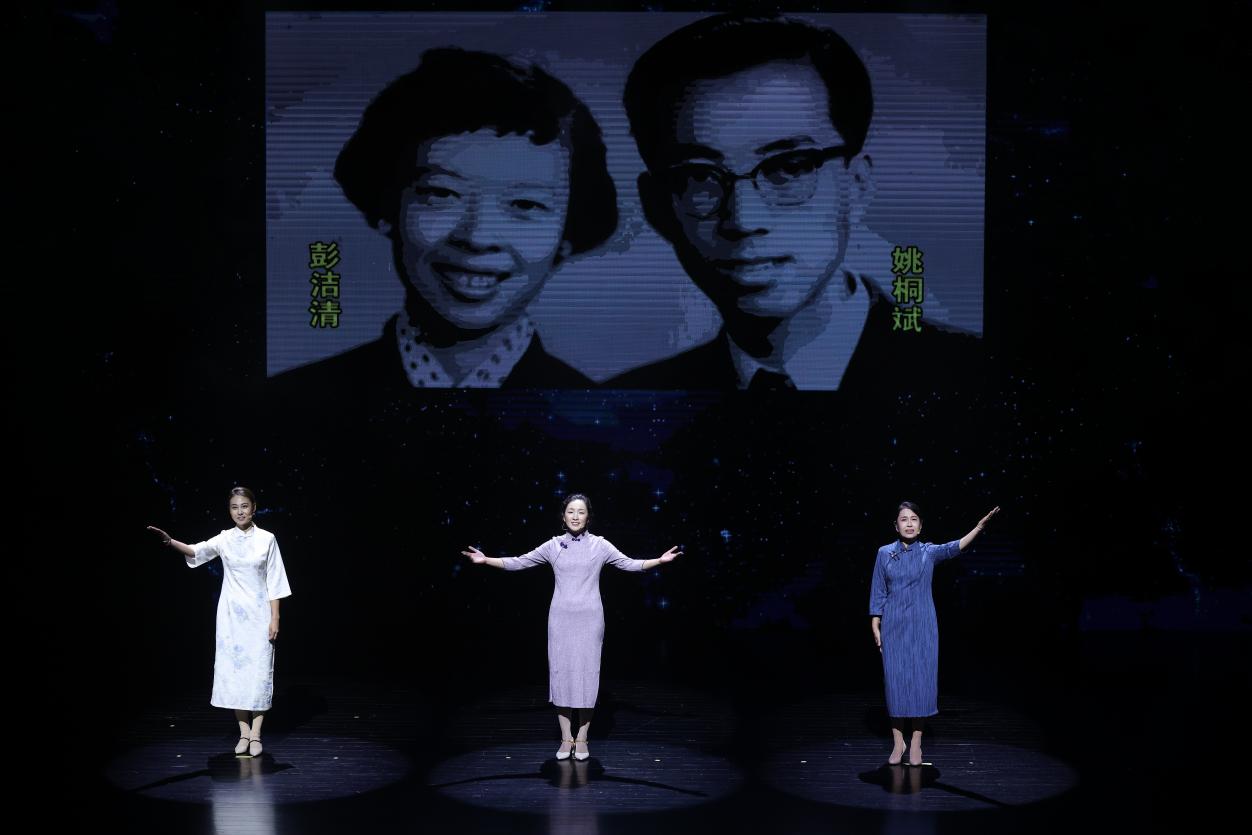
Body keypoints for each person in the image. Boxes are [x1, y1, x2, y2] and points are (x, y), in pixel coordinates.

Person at [608, 13, 978, 391]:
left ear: (857, 185)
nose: (743, 219)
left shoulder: (976, 378)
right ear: (656, 207)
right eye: (699, 177)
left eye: (788, 168)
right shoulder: (630, 402)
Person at [273, 48, 617, 392]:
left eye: (525, 204)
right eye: (441, 193)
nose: (478, 236)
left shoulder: (601, 415)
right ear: (387, 208)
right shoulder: (289, 403)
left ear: (566, 235)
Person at [462, 493, 680, 760]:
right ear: (563, 517)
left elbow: (629, 564)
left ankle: (583, 737)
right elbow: (519, 562)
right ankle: (566, 738)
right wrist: (486, 560)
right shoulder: (553, 545)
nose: (576, 516)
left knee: (587, 675)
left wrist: (659, 561)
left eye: (581, 512)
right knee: (562, 675)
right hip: (560, 620)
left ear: (588, 516)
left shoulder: (599, 545)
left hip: (590, 620)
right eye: (571, 512)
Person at [147, 487, 292, 757]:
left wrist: (275, 618)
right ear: (230, 511)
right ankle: (244, 733)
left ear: (254, 508)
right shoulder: (225, 539)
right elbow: (195, 551)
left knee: (259, 673)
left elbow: (275, 581)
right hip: (231, 619)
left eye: (244, 506)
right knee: (235, 674)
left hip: (259, 616)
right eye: (235, 507)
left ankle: (257, 734)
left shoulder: (267, 539)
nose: (240, 511)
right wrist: (169, 541)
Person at [869, 502, 999, 766]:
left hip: (923, 626)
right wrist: (875, 622)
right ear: (895, 526)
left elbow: (955, 547)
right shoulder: (884, 553)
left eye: (914, 519)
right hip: (894, 626)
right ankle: (898, 742)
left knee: (921, 683)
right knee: (895, 684)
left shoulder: (928, 552)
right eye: (903, 519)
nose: (909, 523)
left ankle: (916, 741)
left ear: (920, 525)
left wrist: (978, 528)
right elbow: (878, 589)